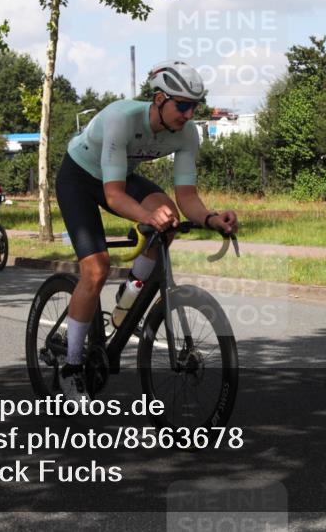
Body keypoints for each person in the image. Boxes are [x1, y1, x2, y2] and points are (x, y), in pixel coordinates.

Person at [54, 60, 238, 402]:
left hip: (119, 175)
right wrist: (146, 217)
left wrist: (212, 218)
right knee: (95, 270)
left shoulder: (187, 133)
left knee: (167, 218)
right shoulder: (120, 119)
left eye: (193, 106)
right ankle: (72, 365)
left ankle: (129, 296)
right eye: (181, 105)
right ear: (159, 99)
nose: (187, 114)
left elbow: (187, 197)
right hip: (79, 178)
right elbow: (113, 195)